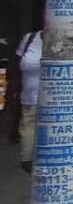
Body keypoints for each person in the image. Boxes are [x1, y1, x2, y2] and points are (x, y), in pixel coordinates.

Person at [14, 29, 42, 173]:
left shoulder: (68, 40)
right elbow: (17, 65)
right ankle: (27, 159)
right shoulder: (30, 38)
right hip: (29, 98)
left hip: (56, 101)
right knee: (28, 127)